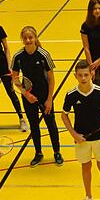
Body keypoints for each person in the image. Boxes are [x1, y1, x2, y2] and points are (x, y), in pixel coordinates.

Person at [61, 60, 100, 200]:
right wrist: (74, 134)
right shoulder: (71, 95)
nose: (83, 78)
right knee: (86, 167)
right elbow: (64, 116)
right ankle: (88, 197)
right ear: (75, 76)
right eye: (80, 75)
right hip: (82, 140)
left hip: (99, 139)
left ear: (92, 74)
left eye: (86, 75)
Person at [12, 26, 63, 167]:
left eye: (30, 37)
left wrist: (49, 99)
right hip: (28, 97)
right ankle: (38, 153)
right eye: (25, 38)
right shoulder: (18, 57)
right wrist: (26, 94)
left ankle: (57, 152)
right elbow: (15, 78)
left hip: (44, 95)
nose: (28, 40)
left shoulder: (43, 54)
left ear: (35, 38)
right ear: (22, 39)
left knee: (51, 124)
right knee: (34, 125)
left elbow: (51, 79)